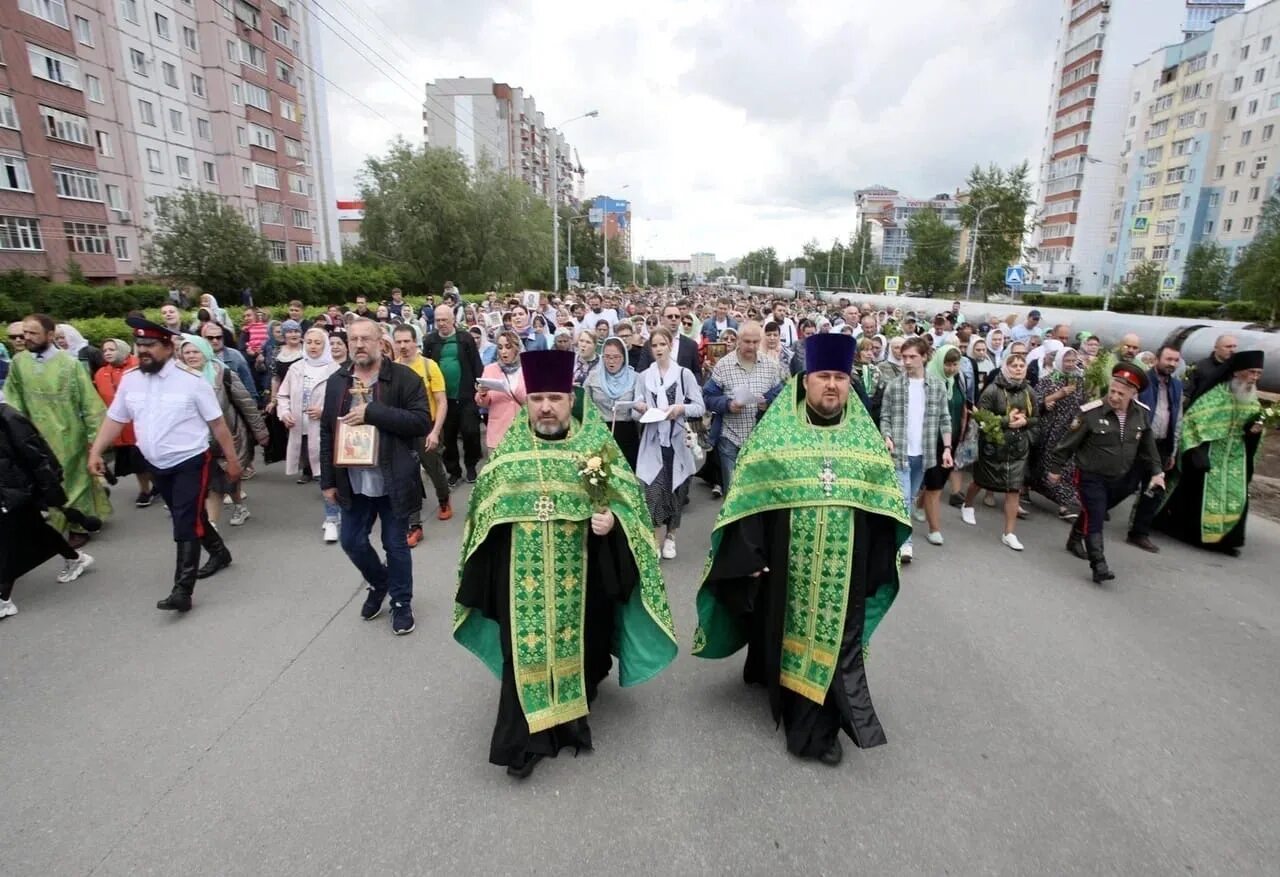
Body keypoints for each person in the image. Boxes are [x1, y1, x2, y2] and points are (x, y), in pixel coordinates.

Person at [453, 348, 678, 779]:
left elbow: (629, 506)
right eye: (538, 398)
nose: (546, 407)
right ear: (528, 402)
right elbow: (482, 519)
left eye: (555, 397)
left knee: (584, 649)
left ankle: (571, 719)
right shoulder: (507, 458)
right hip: (522, 584)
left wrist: (611, 520)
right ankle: (524, 740)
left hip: (585, 580)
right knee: (522, 656)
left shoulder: (595, 448)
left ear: (571, 399)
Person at [693, 332, 908, 766]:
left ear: (850, 383)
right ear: (805, 381)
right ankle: (781, 690)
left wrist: (876, 561)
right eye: (823, 376)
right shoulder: (776, 435)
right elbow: (750, 499)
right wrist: (751, 557)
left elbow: (884, 507)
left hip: (845, 567)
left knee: (834, 643)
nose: (832, 385)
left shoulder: (865, 440)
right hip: (784, 564)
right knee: (779, 633)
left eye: (840, 378)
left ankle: (816, 729)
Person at [89, 318, 240, 612]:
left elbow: (218, 424)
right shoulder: (131, 379)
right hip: (157, 464)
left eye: (151, 345)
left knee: (184, 521)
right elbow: (116, 418)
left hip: (191, 462)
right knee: (189, 514)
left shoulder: (192, 381)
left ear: (170, 347)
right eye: (140, 345)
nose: (143, 350)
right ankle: (220, 553)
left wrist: (232, 461)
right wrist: (96, 450)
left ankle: (182, 590)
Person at [320, 318, 431, 635]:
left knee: (395, 544)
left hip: (392, 478)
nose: (358, 344)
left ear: (381, 341)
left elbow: (421, 422)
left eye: (365, 338)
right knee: (352, 541)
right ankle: (379, 581)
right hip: (352, 481)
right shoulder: (338, 381)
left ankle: (401, 602)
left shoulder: (403, 378)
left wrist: (373, 412)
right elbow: (328, 432)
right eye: (353, 339)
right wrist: (327, 480)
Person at [1046, 363, 1164, 583]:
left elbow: (1149, 447)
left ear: (1133, 393)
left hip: (1121, 478)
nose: (1115, 397)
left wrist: (1157, 472)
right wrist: (1055, 468)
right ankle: (1098, 564)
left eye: (1121, 393)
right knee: (1097, 516)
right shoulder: (1090, 413)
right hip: (1090, 475)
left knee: (1094, 511)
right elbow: (1067, 444)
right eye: (1112, 391)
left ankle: (1075, 538)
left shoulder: (1141, 414)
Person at [5, 315, 111, 548]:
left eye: (33, 333)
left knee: (72, 480)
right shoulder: (19, 363)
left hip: (69, 433)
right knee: (45, 480)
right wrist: (16, 431)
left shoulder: (70, 364)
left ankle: (79, 526)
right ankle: (57, 524)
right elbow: (13, 400)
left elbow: (90, 404)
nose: (26, 337)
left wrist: (96, 441)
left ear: (50, 335)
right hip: (34, 435)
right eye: (24, 333)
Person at [1155, 351, 1265, 556]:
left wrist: (1254, 431)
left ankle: (1227, 540)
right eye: (1251, 372)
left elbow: (1252, 428)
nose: (1255, 378)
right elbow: (1192, 422)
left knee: (1237, 496)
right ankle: (1199, 536)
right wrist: (1195, 450)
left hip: (1236, 458)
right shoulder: (1216, 395)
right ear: (1237, 372)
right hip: (1211, 455)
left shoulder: (1252, 399)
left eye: (1258, 373)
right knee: (1204, 495)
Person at [1, 395, 97, 619]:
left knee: (6, 541)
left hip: (15, 490)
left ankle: (3, 598)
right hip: (10, 491)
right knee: (35, 528)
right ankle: (75, 559)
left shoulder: (8, 416)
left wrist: (50, 489)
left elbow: (36, 455)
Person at [179, 335, 266, 535]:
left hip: (228, 436)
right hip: (197, 441)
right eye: (187, 352)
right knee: (213, 484)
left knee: (227, 479)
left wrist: (261, 432)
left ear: (205, 353)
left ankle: (235, 509)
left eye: (195, 351)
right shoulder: (178, 379)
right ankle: (213, 524)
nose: (191, 356)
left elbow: (246, 404)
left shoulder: (223, 374)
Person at [635, 327, 705, 560]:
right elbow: (636, 410)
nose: (658, 349)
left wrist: (679, 408)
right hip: (653, 441)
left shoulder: (684, 374)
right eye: (654, 345)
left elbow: (699, 407)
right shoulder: (644, 377)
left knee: (676, 491)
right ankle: (655, 539)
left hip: (677, 441)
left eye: (662, 344)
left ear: (669, 346)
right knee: (653, 491)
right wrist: (641, 408)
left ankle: (671, 537)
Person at [880, 337, 952, 559]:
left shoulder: (937, 387)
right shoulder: (894, 386)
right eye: (904, 357)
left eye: (913, 357)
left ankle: (893, 534)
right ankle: (905, 544)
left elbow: (944, 418)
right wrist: (887, 436)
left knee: (909, 499)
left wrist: (947, 448)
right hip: (900, 451)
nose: (907, 362)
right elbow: (885, 416)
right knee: (903, 499)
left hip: (925, 452)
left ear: (924, 357)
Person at [961, 351, 1038, 551]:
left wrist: (1025, 422)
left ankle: (1009, 533)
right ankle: (967, 503)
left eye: (1022, 366)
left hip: (1018, 447)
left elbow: (1036, 417)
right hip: (994, 445)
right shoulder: (992, 390)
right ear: (1006, 367)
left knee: (1014, 489)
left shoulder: (1029, 391)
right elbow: (981, 417)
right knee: (980, 481)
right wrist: (1006, 421)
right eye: (1015, 365)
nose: (1019, 369)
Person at [703, 322, 787, 496]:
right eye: (747, 341)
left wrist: (768, 402)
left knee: (757, 493)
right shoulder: (724, 365)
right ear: (738, 340)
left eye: (755, 342)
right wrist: (728, 404)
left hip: (760, 439)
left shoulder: (770, 365)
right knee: (734, 492)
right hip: (730, 437)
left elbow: (781, 394)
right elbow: (708, 397)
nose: (751, 346)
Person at [278, 327, 342, 543]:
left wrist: (325, 412)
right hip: (301, 432)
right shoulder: (296, 368)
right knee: (318, 476)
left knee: (326, 475)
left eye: (318, 343)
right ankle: (335, 511)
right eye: (310, 342)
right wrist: (284, 413)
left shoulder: (336, 370)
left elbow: (344, 403)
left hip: (325, 433)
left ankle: (332, 518)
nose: (313, 346)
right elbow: (282, 395)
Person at [393, 325, 452, 540]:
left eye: (406, 341)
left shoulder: (429, 367)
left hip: (427, 426)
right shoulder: (391, 369)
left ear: (415, 342)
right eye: (398, 342)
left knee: (433, 468)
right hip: (402, 429)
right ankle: (414, 524)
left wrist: (436, 432)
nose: (403, 346)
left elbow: (441, 402)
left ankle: (443, 498)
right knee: (407, 474)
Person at [1126, 345, 1184, 552]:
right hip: (1139, 442)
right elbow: (1130, 409)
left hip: (1162, 446)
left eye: (1176, 360)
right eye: (1168, 359)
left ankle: (1139, 532)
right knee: (1125, 485)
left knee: (1155, 490)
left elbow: (1177, 418)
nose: (1172, 364)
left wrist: (1173, 450)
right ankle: (1090, 518)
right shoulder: (1142, 381)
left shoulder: (1176, 386)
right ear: (1157, 359)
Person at [424, 305, 483, 486]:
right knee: (448, 437)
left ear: (452, 320)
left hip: (466, 395)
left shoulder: (465, 338)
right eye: (438, 320)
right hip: (442, 399)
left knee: (471, 432)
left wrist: (480, 385)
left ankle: (471, 466)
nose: (441, 324)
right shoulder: (430, 340)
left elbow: (476, 363)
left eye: (445, 320)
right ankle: (454, 471)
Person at [92, 338, 155, 507]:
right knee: (136, 463)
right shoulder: (100, 374)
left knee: (147, 459)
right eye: (105, 350)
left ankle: (152, 486)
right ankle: (145, 489)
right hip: (120, 427)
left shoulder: (138, 366)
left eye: (112, 349)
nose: (108, 353)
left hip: (141, 424)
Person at [1030, 345, 1085, 520]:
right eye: (1066, 361)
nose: (1069, 364)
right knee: (1047, 463)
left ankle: (1066, 501)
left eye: (1072, 361)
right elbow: (1035, 402)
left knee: (1067, 467)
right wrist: (1055, 396)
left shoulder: (1079, 381)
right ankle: (1064, 504)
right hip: (1051, 429)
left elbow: (1083, 402)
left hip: (1070, 430)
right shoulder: (1049, 380)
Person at [922, 344, 967, 543]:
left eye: (955, 364)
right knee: (935, 486)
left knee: (937, 482)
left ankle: (919, 505)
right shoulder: (930, 381)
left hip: (952, 439)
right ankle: (934, 529)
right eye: (947, 364)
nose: (951, 369)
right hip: (933, 440)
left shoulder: (957, 380)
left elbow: (963, 405)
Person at [583, 337, 642, 469]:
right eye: (607, 357)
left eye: (616, 357)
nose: (611, 361)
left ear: (624, 357)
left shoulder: (635, 378)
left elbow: (636, 413)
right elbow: (585, 407)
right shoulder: (593, 377)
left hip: (626, 433)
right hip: (600, 432)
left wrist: (639, 408)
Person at [475, 330, 527, 453]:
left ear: (517, 348)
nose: (503, 351)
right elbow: (482, 403)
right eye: (500, 347)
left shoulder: (528, 368)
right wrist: (482, 393)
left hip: (524, 431)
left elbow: (534, 399)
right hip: (498, 432)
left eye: (508, 347)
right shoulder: (490, 370)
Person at [1184, 334, 1238, 405]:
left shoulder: (1240, 369)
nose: (1232, 350)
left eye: (1234, 346)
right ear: (1216, 348)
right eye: (1228, 347)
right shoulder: (1199, 367)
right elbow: (1186, 394)